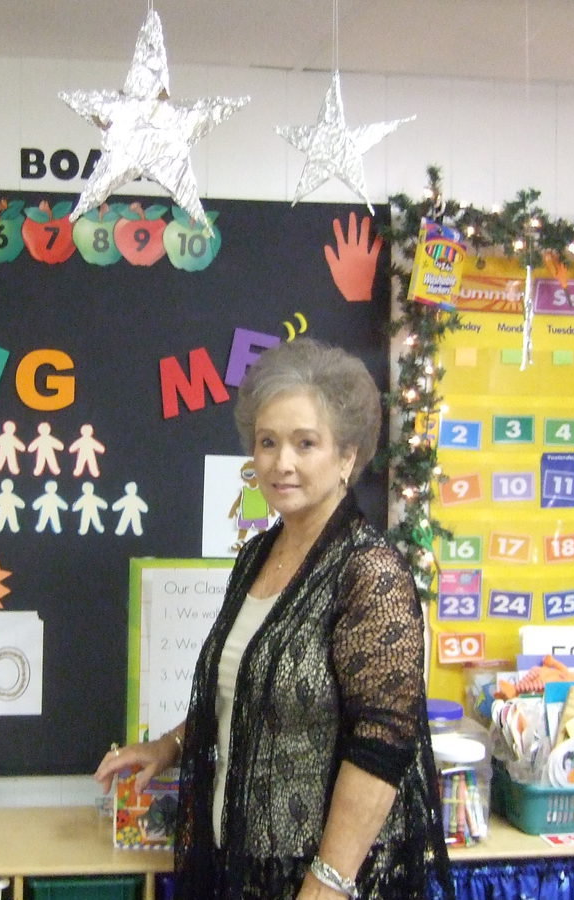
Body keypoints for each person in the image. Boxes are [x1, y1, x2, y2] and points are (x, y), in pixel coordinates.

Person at [94, 338, 453, 899]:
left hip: (323, 880)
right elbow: (251, 696)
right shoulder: (258, 556)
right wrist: (167, 747)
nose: (281, 463)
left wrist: (327, 883)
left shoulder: (370, 573)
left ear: (346, 458)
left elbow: (382, 746)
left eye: (305, 443)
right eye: (267, 443)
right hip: (244, 863)